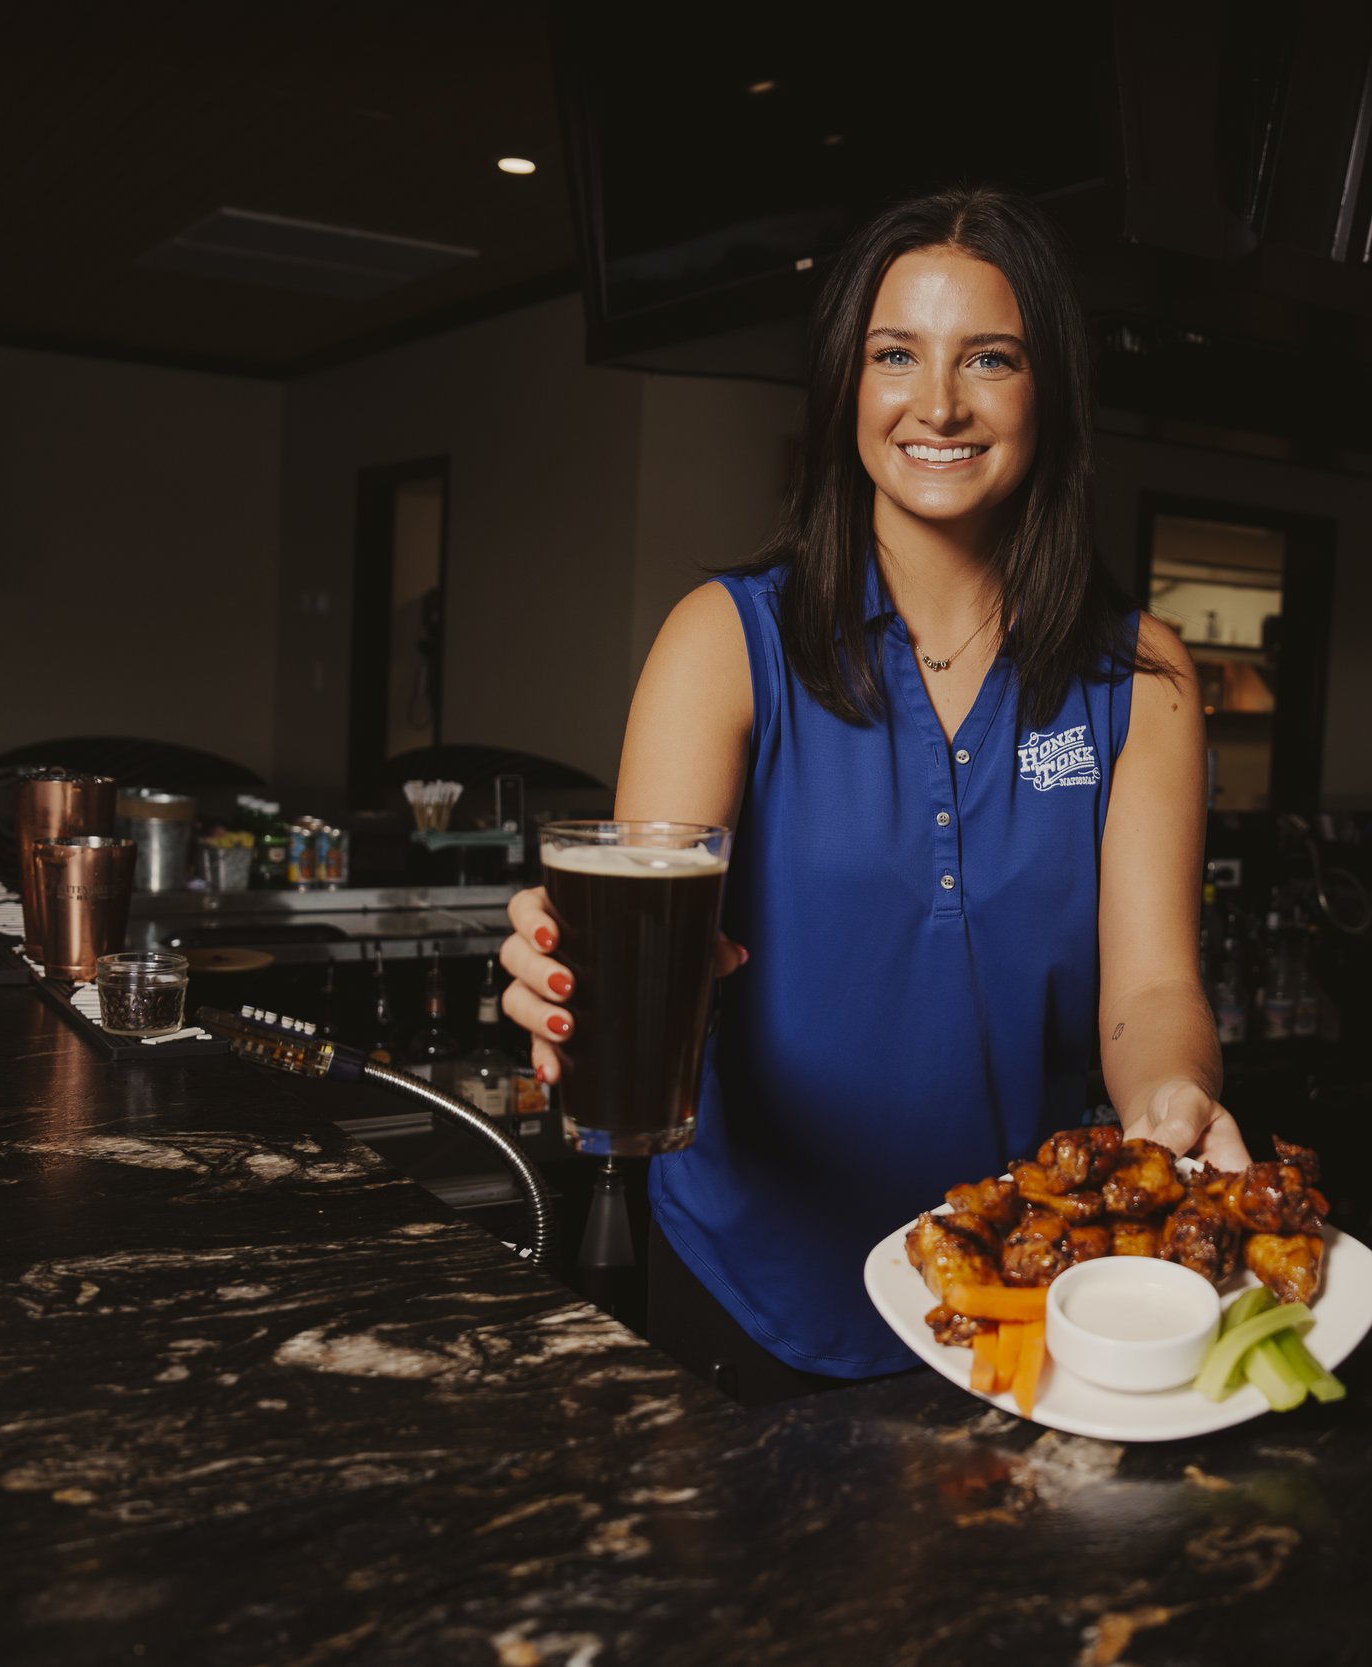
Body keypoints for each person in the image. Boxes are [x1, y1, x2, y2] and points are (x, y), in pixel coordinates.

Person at [500, 186, 1250, 1402]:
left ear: (1046, 391)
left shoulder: (1141, 676)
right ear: (846, 387)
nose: (937, 402)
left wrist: (1173, 1094)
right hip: (750, 1290)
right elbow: (650, 957)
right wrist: (573, 987)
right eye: (894, 354)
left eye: (989, 359)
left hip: (1025, 1294)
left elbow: (1154, 987)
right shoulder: (725, 642)